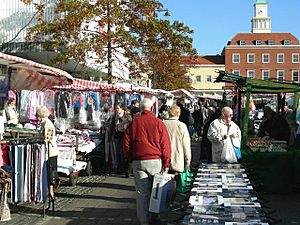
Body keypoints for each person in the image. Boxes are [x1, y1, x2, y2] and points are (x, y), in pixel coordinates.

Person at [123, 98, 171, 225]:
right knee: (156, 191)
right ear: (152, 108)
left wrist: (129, 158)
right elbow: (165, 145)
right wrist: (166, 163)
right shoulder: (158, 122)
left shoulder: (134, 123)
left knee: (142, 194)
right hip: (155, 160)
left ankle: (144, 221)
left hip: (139, 161)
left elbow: (126, 143)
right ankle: (155, 217)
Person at [163, 105, 191, 202]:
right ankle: (171, 201)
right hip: (177, 156)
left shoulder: (163, 123)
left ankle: (163, 200)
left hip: (163, 156)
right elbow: (186, 144)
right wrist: (188, 159)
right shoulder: (181, 125)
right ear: (178, 114)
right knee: (174, 179)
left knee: (163, 178)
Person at [36, 106, 58, 198]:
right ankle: (46, 191)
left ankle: (51, 192)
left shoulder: (47, 124)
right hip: (45, 151)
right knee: (46, 172)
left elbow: (48, 138)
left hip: (50, 152)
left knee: (50, 172)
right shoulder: (43, 123)